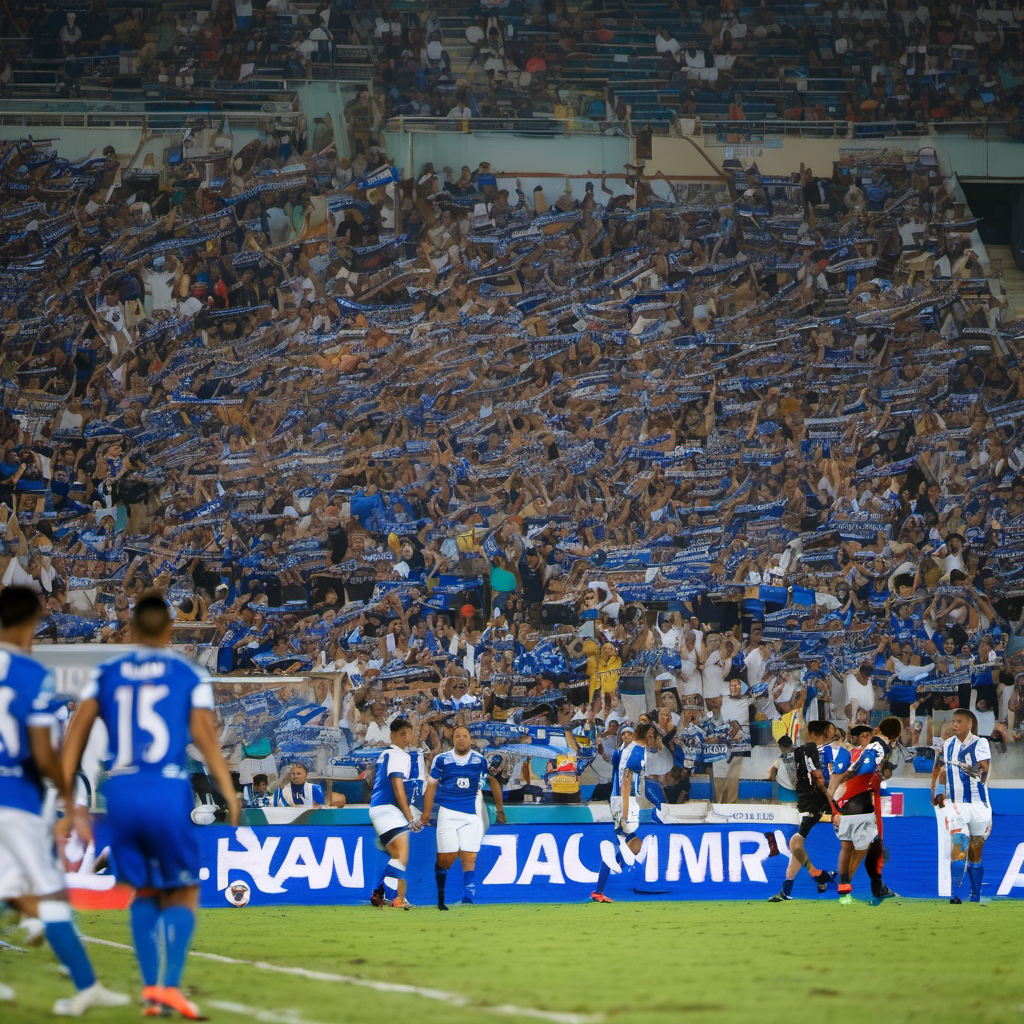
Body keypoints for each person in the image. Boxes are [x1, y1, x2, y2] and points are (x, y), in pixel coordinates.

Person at [60, 591, 241, 1020]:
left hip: (120, 792)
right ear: (170, 629)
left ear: (132, 629)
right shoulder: (188, 674)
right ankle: (170, 987)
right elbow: (207, 739)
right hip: (166, 788)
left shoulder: (104, 672)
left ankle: (149, 990)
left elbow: (76, 736)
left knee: (142, 891)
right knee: (182, 891)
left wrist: (70, 797)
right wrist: (228, 793)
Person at [0, 585, 129, 1015]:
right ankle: (86, 986)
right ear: (26, 623)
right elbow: (41, 750)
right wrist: (69, 795)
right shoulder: (28, 674)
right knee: (52, 896)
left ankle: (29, 916)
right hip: (16, 800)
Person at [418, 725, 506, 910]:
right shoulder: (441, 760)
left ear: (470, 739)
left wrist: (499, 809)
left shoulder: (480, 760)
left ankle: (468, 897)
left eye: (464, 736)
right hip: (447, 814)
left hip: (470, 815)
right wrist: (426, 814)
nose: (461, 739)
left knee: (469, 856)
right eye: (457, 736)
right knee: (447, 858)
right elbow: (431, 787)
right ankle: (441, 897)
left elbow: (492, 781)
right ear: (453, 740)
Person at [828, 716, 903, 905]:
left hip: (857, 800)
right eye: (858, 735)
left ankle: (875, 888)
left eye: (864, 734)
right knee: (862, 847)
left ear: (875, 731)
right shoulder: (876, 748)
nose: (861, 738)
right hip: (858, 802)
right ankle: (845, 887)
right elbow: (859, 771)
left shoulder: (870, 749)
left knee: (871, 845)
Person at [767, 721, 836, 901]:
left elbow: (819, 777)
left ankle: (820, 875)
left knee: (796, 844)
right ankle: (797, 886)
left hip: (815, 803)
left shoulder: (813, 750)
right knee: (796, 844)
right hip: (810, 802)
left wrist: (830, 800)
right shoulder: (803, 751)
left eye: (805, 729)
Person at [591, 721, 655, 903]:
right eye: (650, 735)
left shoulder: (626, 752)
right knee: (628, 844)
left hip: (620, 799)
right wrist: (625, 812)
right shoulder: (635, 752)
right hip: (624, 801)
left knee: (634, 845)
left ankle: (600, 887)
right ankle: (599, 889)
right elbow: (626, 781)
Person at [931, 709, 992, 903]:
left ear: (969, 724)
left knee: (975, 852)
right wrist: (938, 790)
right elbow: (940, 770)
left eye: (959, 721)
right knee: (959, 845)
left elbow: (984, 768)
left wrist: (968, 768)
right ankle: (956, 894)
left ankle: (975, 895)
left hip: (979, 805)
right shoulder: (948, 745)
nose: (954, 725)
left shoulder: (980, 743)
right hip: (956, 805)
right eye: (953, 721)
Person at [368, 718, 423, 910]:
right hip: (388, 809)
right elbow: (398, 787)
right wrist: (410, 818)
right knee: (401, 856)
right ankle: (382, 892)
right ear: (392, 735)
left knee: (397, 857)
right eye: (401, 733)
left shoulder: (385, 754)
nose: (406, 737)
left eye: (408, 732)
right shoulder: (399, 755)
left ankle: (389, 895)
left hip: (380, 809)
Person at [767, 734, 796, 801]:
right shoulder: (800, 754)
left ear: (780, 747)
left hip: (785, 791)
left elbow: (772, 772)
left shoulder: (781, 759)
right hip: (798, 790)